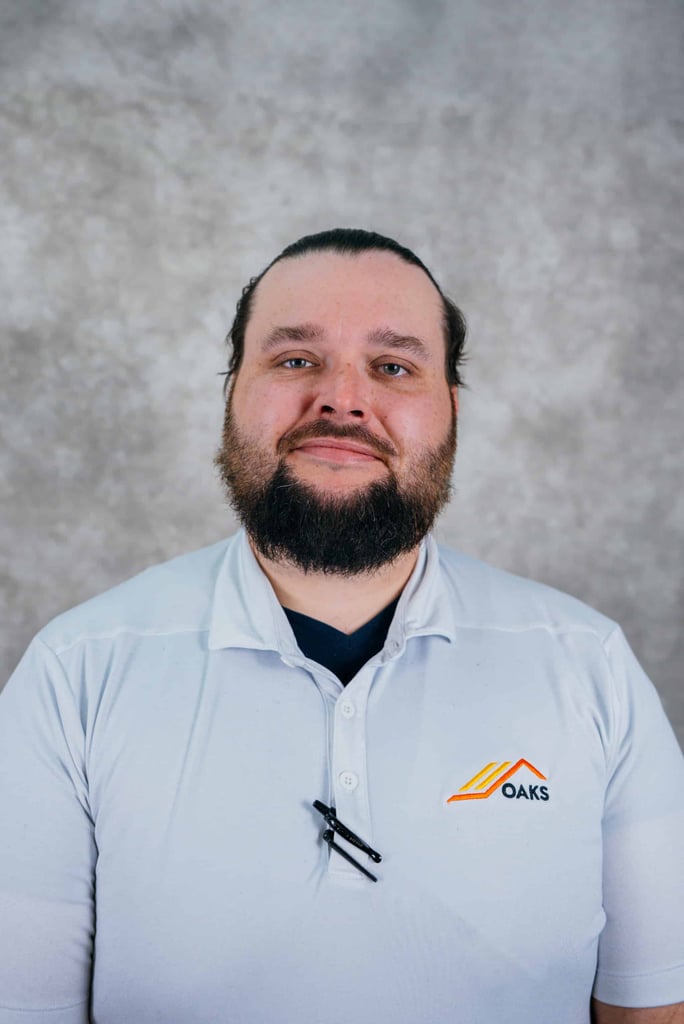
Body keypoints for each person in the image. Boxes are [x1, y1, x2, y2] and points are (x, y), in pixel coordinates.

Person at [1, 228, 683, 1024]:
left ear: (451, 411)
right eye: (295, 361)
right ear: (231, 393)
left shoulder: (590, 668)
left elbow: (649, 1010)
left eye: (393, 367)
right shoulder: (74, 675)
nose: (342, 400)